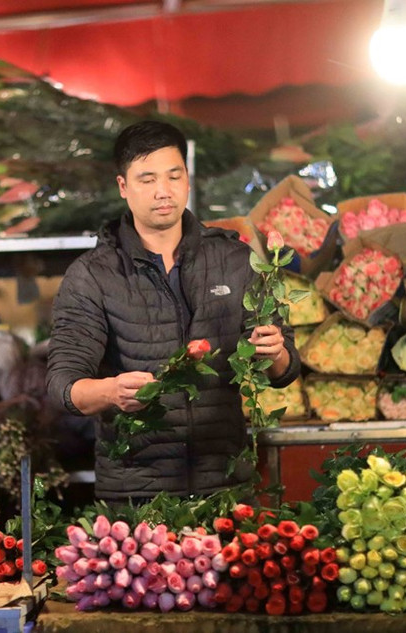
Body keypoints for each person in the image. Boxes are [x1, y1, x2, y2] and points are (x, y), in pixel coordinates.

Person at [46, 120, 302, 501]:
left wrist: (275, 352)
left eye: (173, 176)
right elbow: (62, 385)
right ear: (123, 187)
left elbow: (286, 370)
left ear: (187, 180)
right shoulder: (93, 275)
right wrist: (110, 391)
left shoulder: (235, 260)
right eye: (147, 179)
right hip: (136, 498)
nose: (163, 191)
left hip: (225, 487)